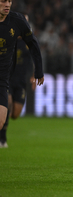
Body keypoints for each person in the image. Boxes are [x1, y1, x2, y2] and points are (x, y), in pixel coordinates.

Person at [0, 0, 44, 148]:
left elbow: (33, 44)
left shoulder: (17, 22)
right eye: (3, 1)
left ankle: (2, 137)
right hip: (9, 81)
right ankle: (3, 140)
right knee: (9, 104)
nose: (7, 4)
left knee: (10, 116)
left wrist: (38, 72)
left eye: (9, 1)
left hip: (6, 79)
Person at [0, 14, 37, 148]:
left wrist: (35, 75)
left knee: (15, 113)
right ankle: (2, 139)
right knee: (7, 103)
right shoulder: (9, 37)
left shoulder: (29, 41)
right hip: (7, 79)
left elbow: (34, 58)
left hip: (21, 81)